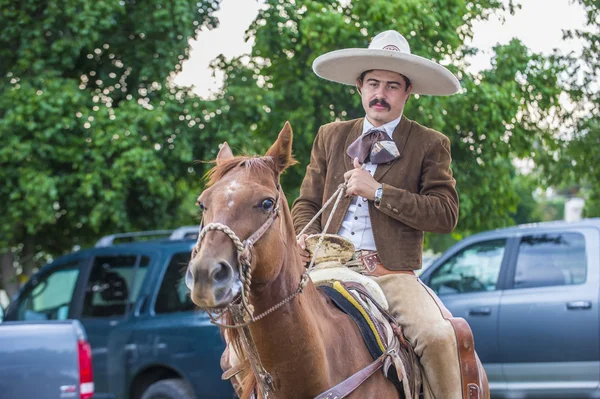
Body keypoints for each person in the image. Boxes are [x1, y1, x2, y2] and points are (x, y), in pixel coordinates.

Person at [291, 30, 483, 399]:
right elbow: (305, 204)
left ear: (408, 91)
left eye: (393, 86)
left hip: (392, 273)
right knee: (270, 324)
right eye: (374, 83)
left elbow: (445, 214)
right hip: (325, 267)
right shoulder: (330, 136)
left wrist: (378, 192)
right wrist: (302, 236)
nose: (381, 94)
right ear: (360, 87)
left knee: (439, 337)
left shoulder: (429, 143)